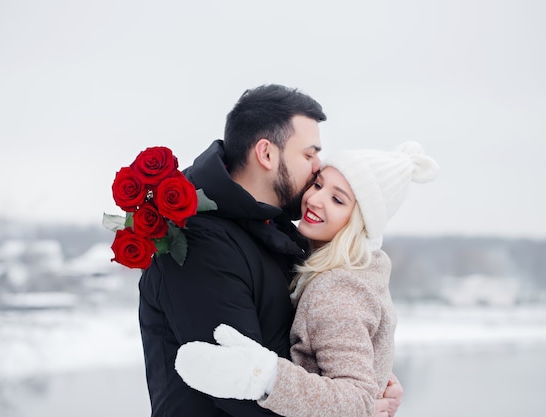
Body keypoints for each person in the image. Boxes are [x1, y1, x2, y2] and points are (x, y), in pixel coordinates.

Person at [138, 84, 403, 416]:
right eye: (309, 154)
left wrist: (369, 380)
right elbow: (242, 398)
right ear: (266, 154)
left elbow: (318, 348)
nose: (317, 166)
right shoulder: (199, 246)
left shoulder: (276, 230)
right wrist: (357, 408)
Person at [175, 142, 439, 417]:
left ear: (360, 223)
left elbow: (357, 398)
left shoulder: (336, 290)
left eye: (337, 200)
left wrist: (262, 375)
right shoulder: (355, 271)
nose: (315, 199)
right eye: (318, 185)